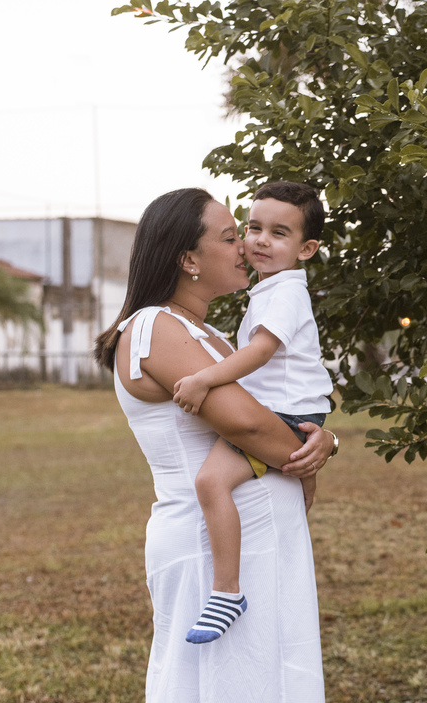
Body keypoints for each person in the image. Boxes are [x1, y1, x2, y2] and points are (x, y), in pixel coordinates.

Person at [93, 188, 333, 703]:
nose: (246, 246)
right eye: (231, 235)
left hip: (259, 539)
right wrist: (311, 448)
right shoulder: (155, 327)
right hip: (210, 548)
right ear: (188, 260)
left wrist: (322, 442)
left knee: (266, 698)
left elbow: (275, 415)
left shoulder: (215, 339)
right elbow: (251, 425)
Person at [171, 182, 334, 645]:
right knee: (294, 497)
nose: (260, 240)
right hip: (295, 413)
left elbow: (261, 351)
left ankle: (227, 592)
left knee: (210, 482)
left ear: (306, 249)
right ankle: (280, 564)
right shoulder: (270, 290)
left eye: (278, 233)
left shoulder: (284, 295)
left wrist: (206, 378)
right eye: (253, 227)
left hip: (284, 414)